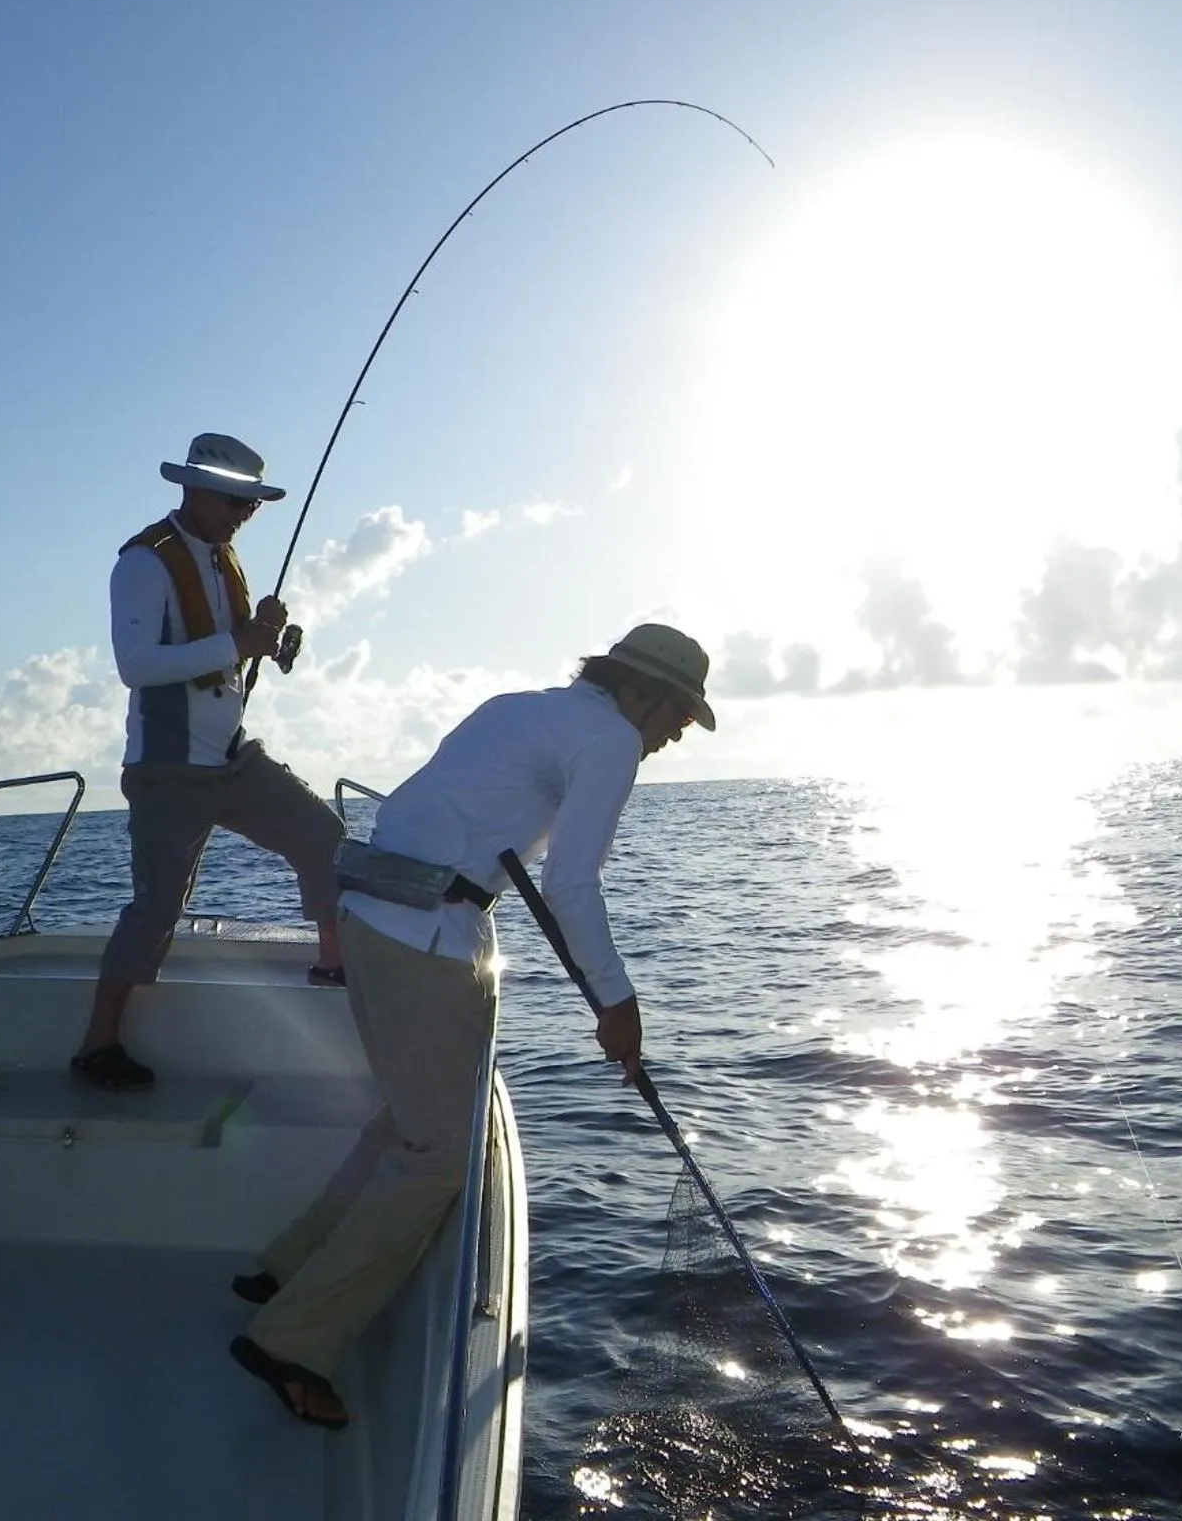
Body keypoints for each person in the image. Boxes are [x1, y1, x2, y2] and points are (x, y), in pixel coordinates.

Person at [227, 622, 715, 1428]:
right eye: (677, 717)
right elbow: (574, 887)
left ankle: (289, 1266)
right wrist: (619, 1003)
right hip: (423, 942)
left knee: (403, 1125)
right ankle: (289, 1341)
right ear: (643, 693)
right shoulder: (610, 740)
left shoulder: (521, 707)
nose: (673, 738)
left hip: (368, 917)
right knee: (436, 1159)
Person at [72, 432, 345, 1093]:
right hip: (169, 770)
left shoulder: (224, 561)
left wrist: (265, 640)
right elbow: (134, 667)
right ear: (193, 490)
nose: (243, 515)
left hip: (232, 757)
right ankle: (97, 1045)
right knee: (157, 907)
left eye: (251, 504)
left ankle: (334, 970)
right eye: (233, 502)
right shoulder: (142, 563)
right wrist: (237, 641)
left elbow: (231, 655)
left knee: (325, 840)